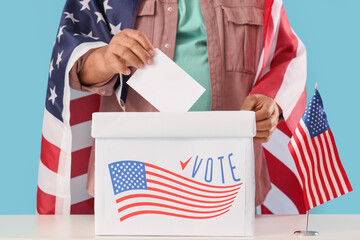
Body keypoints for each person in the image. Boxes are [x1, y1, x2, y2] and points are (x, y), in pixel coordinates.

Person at [37, 0, 306, 214]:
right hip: (133, 181)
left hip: (227, 180)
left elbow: (285, 55)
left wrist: (271, 102)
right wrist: (106, 59)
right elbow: (72, 59)